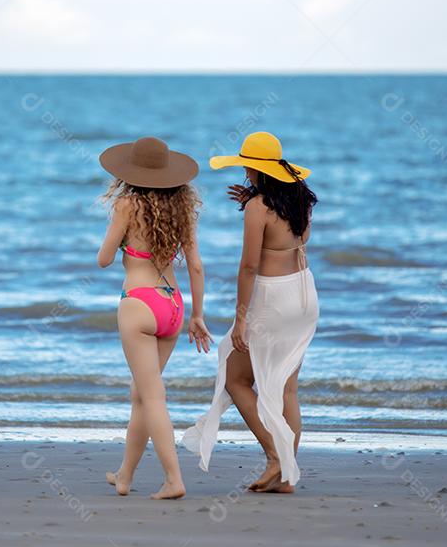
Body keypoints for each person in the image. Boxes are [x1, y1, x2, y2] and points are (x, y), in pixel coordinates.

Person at [183, 131, 318, 493]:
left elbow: (248, 267)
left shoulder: (259, 208)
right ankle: (287, 475)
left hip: (272, 299)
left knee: (234, 376)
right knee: (287, 387)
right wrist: (256, 200)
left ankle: (276, 457)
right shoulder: (301, 199)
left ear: (253, 169)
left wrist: (240, 318)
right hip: (304, 293)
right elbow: (285, 236)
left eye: (247, 167)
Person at [98, 136, 213, 500]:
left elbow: (102, 259)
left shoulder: (126, 205)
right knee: (142, 395)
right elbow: (195, 264)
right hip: (173, 305)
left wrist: (121, 243)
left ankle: (174, 479)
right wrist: (198, 315)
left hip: (139, 303)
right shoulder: (181, 210)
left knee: (152, 397)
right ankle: (125, 476)